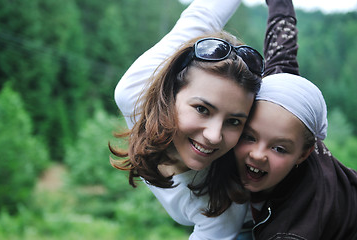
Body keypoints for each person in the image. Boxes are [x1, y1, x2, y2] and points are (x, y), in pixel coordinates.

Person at [110, 0, 264, 239]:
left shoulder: (221, 203)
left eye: (234, 121)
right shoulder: (134, 91)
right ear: (170, 93)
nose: (214, 136)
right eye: (202, 109)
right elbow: (203, 14)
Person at [204, 1, 357, 239]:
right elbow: (282, 43)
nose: (257, 154)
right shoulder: (280, 98)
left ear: (305, 153)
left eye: (278, 148)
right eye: (248, 136)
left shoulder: (291, 229)